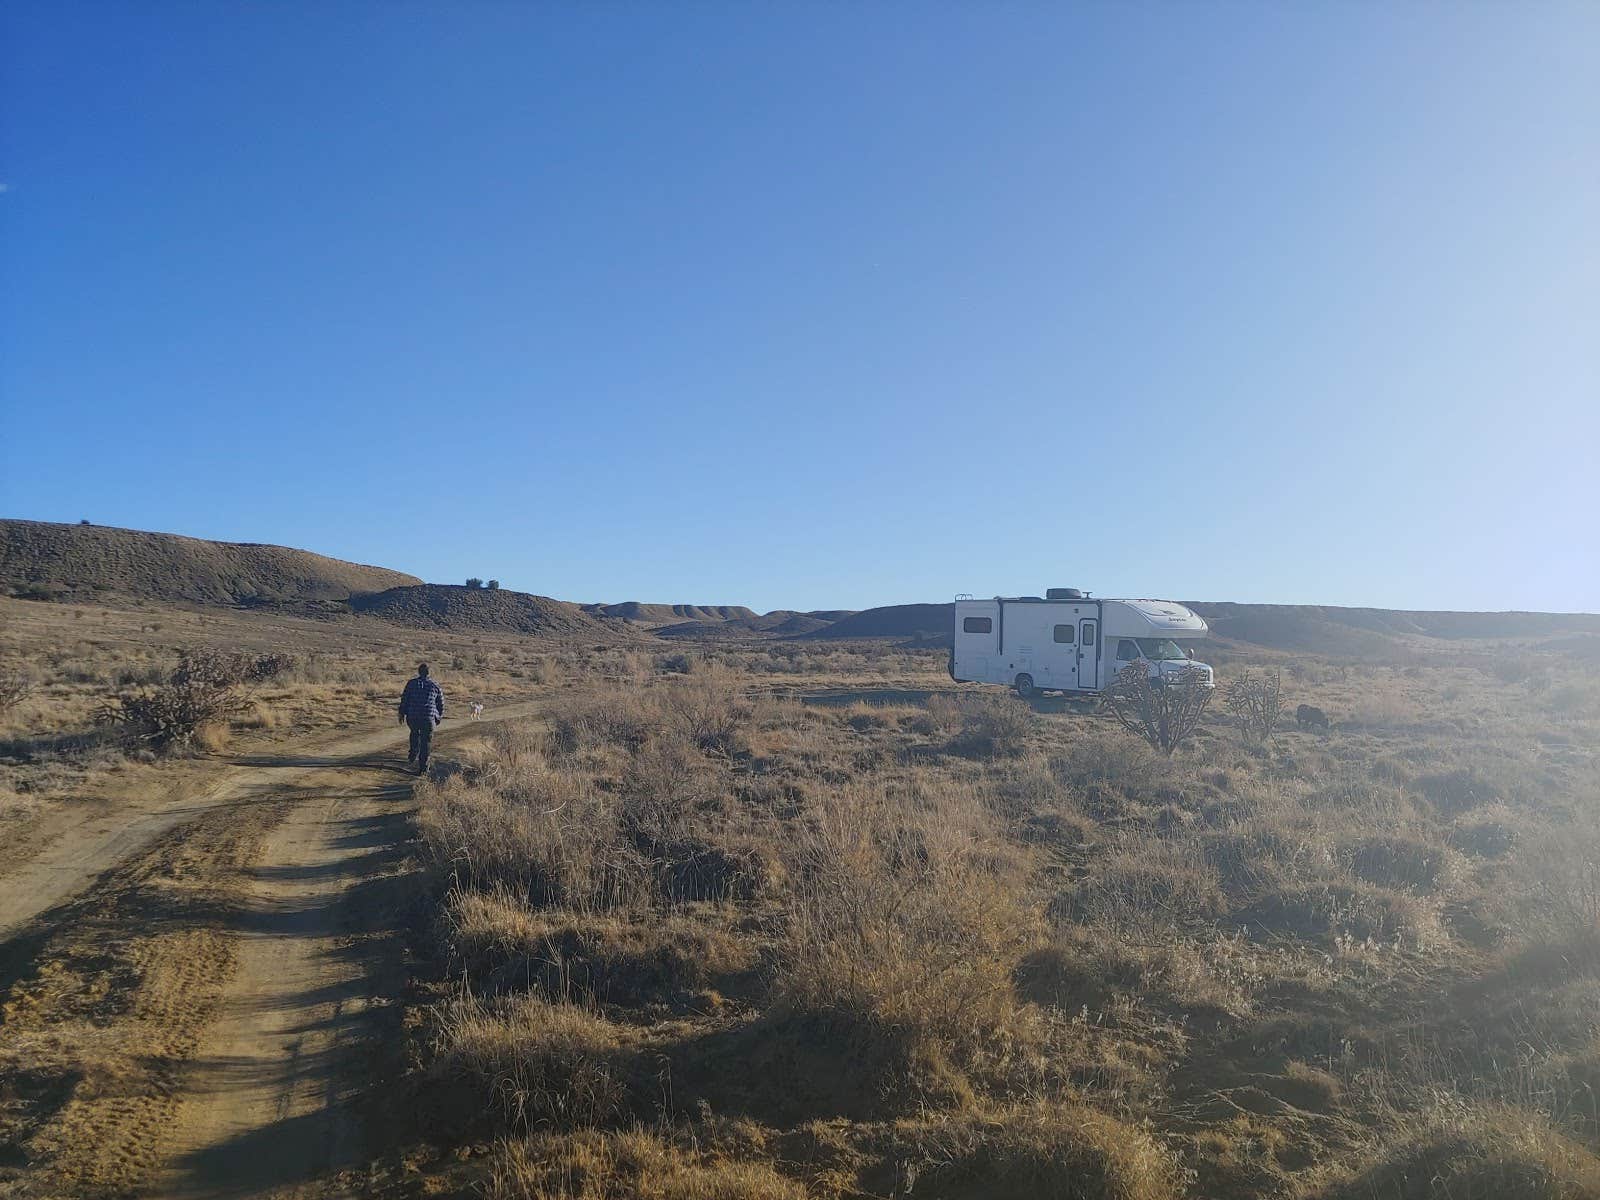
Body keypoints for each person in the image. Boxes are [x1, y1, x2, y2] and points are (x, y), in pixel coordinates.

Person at [397, 662, 445, 772]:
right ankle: (423, 768)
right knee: (426, 741)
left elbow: (405, 699)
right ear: (429, 673)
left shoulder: (411, 684)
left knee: (414, 732)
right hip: (428, 717)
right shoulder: (435, 685)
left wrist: (401, 713)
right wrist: (438, 717)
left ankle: (413, 752)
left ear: (419, 672)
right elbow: (441, 703)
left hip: (412, 716)